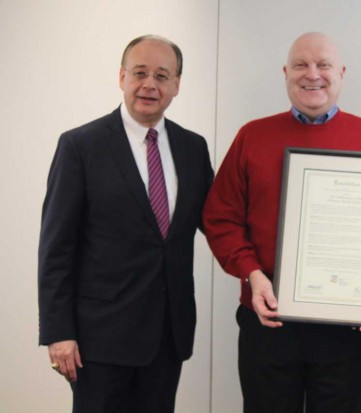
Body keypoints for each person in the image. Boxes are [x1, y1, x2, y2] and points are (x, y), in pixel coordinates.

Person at [202, 32, 361, 413]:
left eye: (323, 65)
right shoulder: (251, 136)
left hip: (347, 327)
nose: (313, 75)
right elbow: (220, 218)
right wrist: (252, 274)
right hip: (269, 318)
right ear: (286, 72)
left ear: (341, 72)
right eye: (301, 65)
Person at [38, 34, 214, 413]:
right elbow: (56, 247)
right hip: (98, 340)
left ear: (177, 85)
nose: (150, 84)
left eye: (162, 75)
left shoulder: (193, 148)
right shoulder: (80, 146)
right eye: (140, 72)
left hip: (168, 335)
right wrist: (58, 332)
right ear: (122, 77)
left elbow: (217, 222)